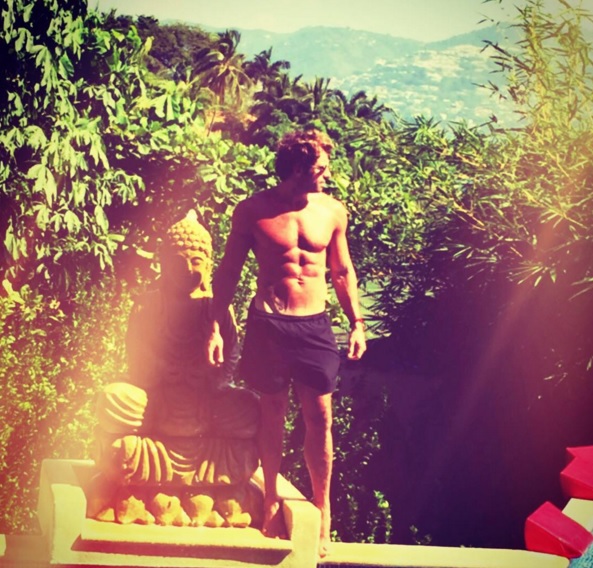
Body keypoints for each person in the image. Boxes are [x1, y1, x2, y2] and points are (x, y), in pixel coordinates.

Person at [206, 129, 366, 557]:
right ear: (297, 169)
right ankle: (272, 498)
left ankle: (323, 509)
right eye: (320, 168)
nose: (327, 175)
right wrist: (215, 325)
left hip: (314, 327)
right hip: (269, 325)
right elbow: (229, 270)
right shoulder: (252, 211)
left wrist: (357, 322)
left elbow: (342, 272)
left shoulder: (332, 211)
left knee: (320, 418)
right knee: (272, 413)